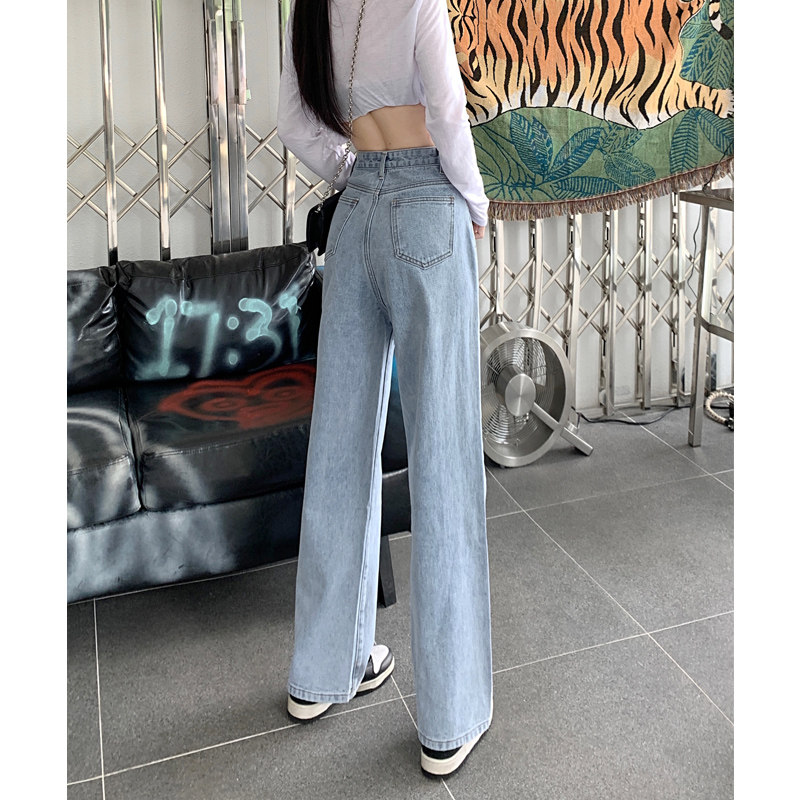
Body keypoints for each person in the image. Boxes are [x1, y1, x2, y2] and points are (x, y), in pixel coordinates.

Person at [277, 0, 493, 778]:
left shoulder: (313, 9)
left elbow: (294, 123)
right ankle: (449, 717)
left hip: (356, 214)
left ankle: (320, 673)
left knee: (339, 446)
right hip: (428, 206)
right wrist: (476, 206)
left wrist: (355, 169)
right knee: (443, 455)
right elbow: (447, 114)